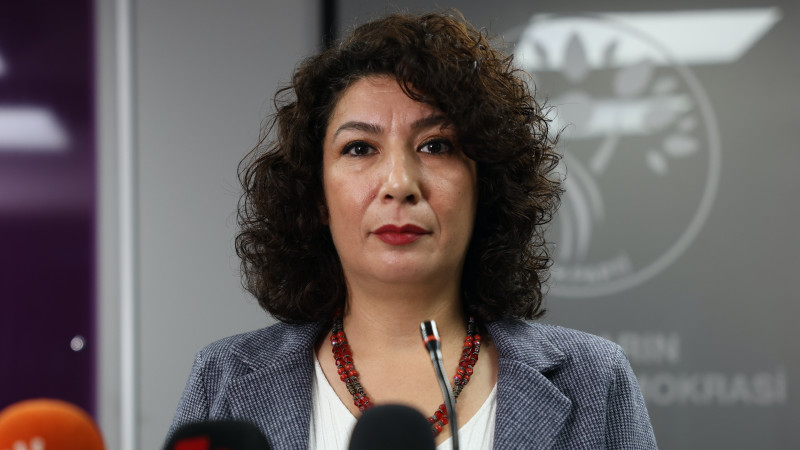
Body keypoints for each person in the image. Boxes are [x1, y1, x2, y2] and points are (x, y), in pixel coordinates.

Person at [168, 10, 657, 450]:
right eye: (360, 148)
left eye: (436, 146)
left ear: (484, 185)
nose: (399, 184)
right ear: (317, 196)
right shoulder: (224, 378)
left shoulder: (594, 380)